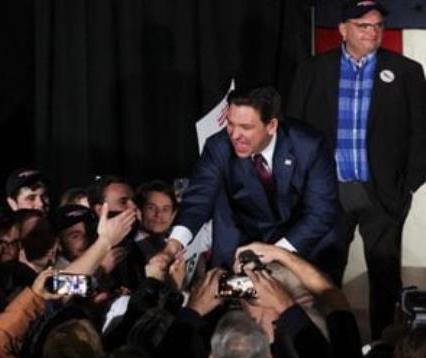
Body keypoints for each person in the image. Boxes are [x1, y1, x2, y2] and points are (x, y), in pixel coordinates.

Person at [286, 0, 426, 339]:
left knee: (384, 273)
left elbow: (421, 131)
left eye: (378, 26)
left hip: (383, 192)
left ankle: (382, 344)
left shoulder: (406, 70)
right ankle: (328, 342)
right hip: (330, 192)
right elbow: (294, 130)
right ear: (343, 29)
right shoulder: (313, 70)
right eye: (363, 26)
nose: (373, 32)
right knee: (325, 272)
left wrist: (408, 184)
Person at [163, 86, 340, 272]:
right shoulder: (218, 146)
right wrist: (172, 246)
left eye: (246, 127)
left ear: (271, 125)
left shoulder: (309, 145)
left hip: (304, 244)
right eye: (230, 124)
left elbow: (321, 212)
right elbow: (198, 200)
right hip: (242, 243)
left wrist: (276, 253)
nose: (234, 135)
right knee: (229, 294)